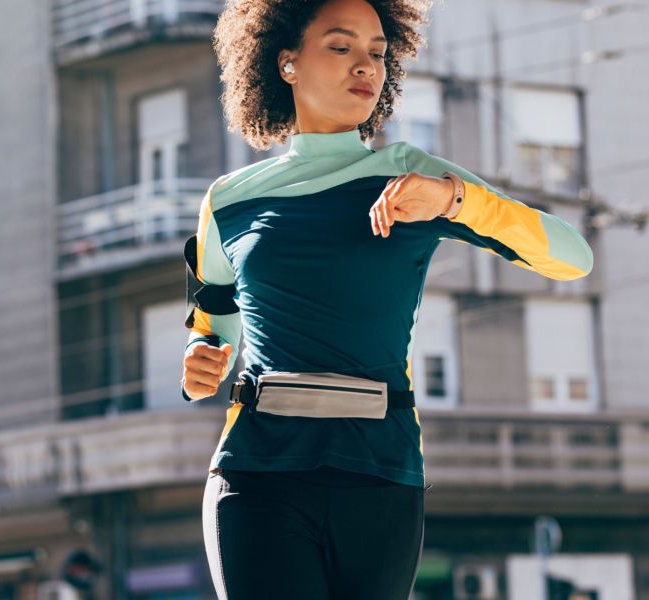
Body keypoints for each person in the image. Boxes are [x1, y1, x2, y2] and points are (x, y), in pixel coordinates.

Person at [180, 0, 594, 598]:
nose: (365, 67)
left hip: (380, 472)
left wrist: (454, 201)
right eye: (341, 47)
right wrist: (200, 358)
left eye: (377, 52)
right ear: (287, 61)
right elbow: (214, 321)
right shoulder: (229, 200)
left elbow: (573, 256)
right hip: (256, 472)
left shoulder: (411, 173)